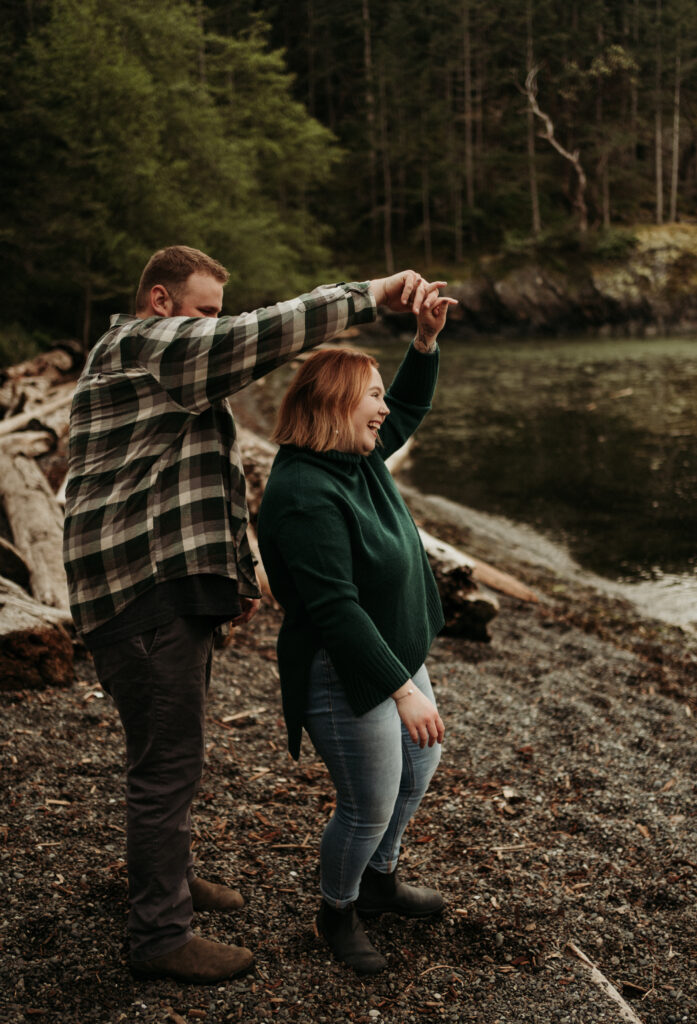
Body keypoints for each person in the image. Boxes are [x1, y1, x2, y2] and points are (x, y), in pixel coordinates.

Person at [62, 244, 443, 984]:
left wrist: (229, 580)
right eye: (205, 312)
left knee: (176, 757)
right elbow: (255, 337)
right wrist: (368, 294)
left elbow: (191, 490)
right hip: (139, 594)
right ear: (162, 302)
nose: (215, 327)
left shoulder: (175, 388)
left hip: (169, 592)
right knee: (164, 768)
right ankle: (159, 932)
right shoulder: (144, 346)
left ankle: (170, 878)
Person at [256, 292, 456, 974]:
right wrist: (402, 691)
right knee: (367, 802)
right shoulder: (304, 493)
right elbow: (337, 612)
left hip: (392, 653)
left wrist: (424, 343)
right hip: (341, 668)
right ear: (335, 404)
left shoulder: (357, 455)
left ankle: (378, 882)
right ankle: (335, 911)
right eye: (370, 395)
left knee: (418, 769)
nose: (382, 408)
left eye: (378, 394)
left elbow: (406, 413)